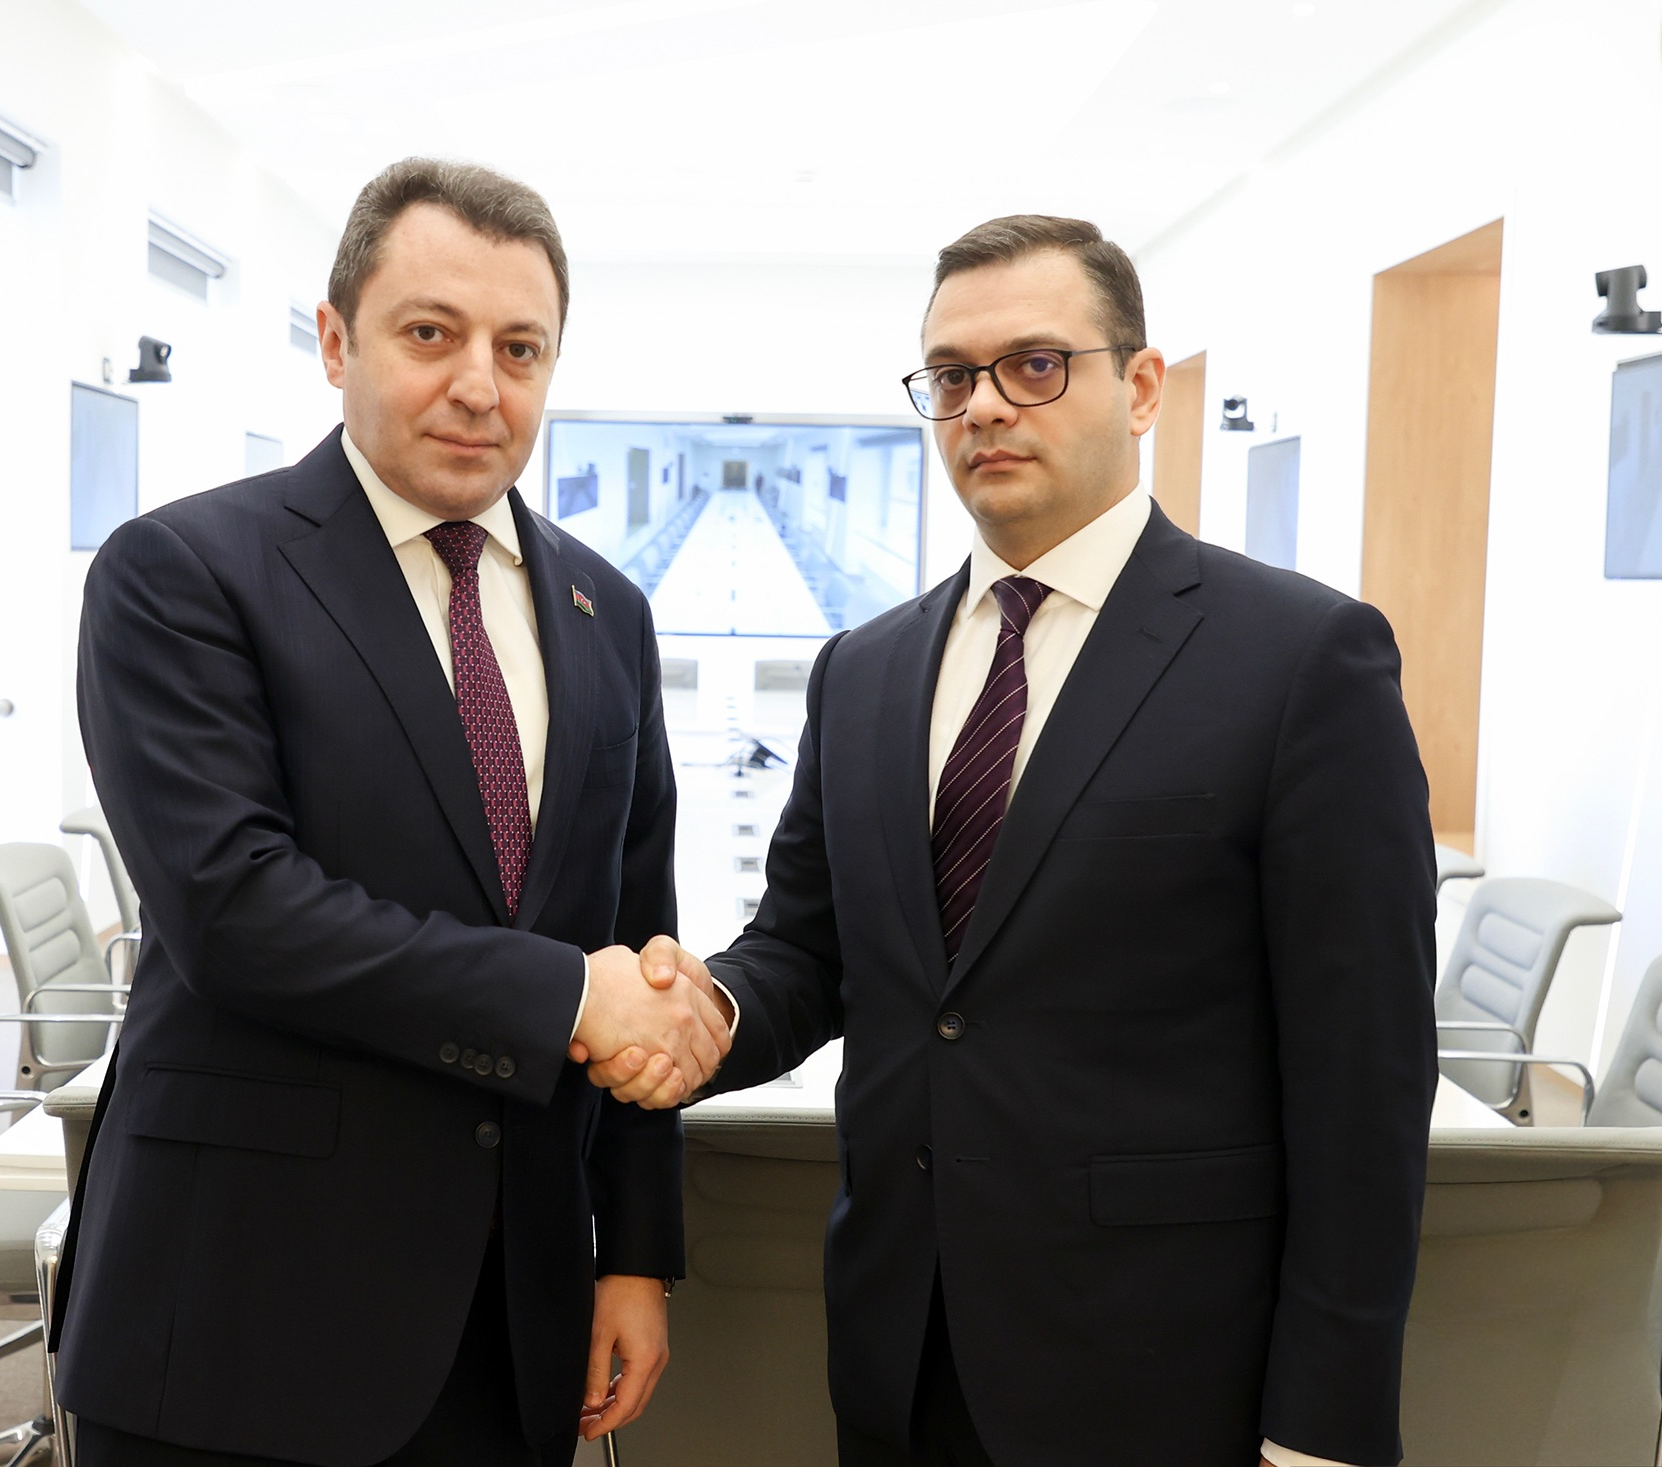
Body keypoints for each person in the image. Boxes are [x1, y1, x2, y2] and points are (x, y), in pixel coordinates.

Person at [603, 216, 1437, 1466]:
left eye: (1034, 365)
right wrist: (704, 1010)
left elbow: (1364, 1074)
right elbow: (810, 951)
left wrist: (1322, 1425)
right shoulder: (865, 670)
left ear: (1140, 386)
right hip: (903, 1343)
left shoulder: (1299, 659)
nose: (985, 405)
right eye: (951, 376)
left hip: (1166, 1365)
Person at [55, 157, 732, 1467]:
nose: (480, 384)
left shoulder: (607, 610)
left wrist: (636, 1252)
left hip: (515, 1307)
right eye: (431, 333)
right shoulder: (184, 571)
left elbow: (639, 942)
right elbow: (236, 910)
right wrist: (564, 996)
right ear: (335, 341)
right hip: (246, 1306)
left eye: (520, 347)